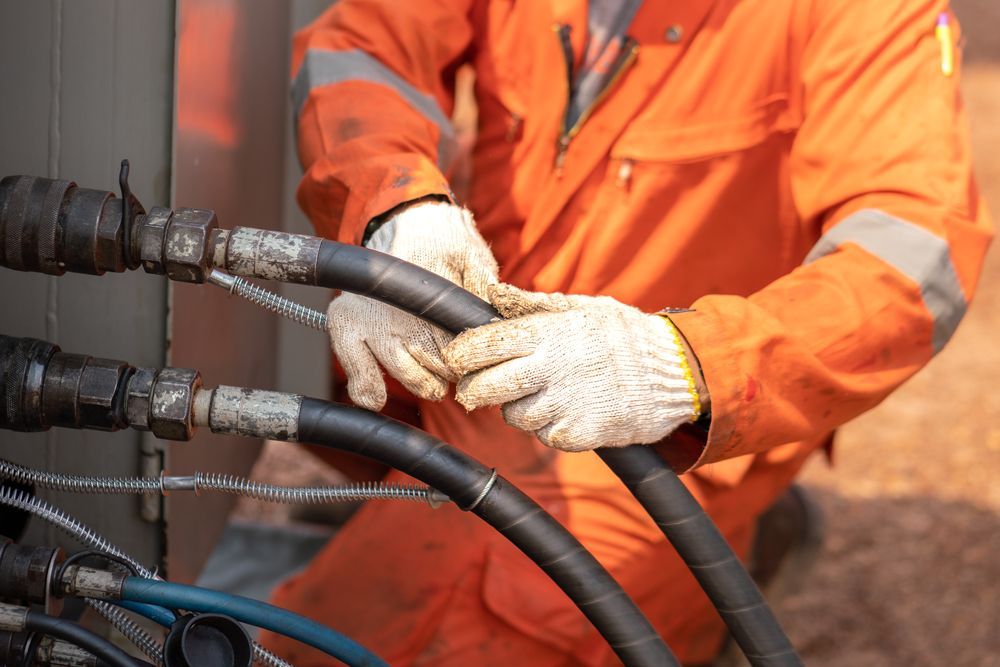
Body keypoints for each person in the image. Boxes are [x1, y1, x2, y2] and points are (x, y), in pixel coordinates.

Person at [261, 1, 992, 665]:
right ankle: (439, 497)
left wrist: (684, 365)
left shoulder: (862, 16)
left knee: (454, 627)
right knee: (282, 330)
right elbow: (364, 43)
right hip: (485, 330)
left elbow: (912, 259)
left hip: (650, 411)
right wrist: (397, 208)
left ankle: (700, 565)